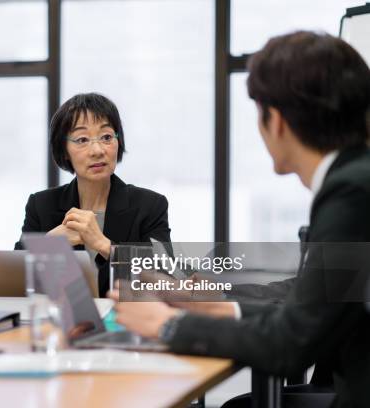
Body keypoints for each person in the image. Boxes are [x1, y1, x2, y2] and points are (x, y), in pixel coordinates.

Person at [110, 31, 370, 408]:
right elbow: (314, 299)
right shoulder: (357, 178)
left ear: (275, 121)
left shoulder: (351, 192)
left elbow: (291, 344)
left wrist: (167, 326)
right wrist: (214, 302)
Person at [15, 93, 172, 297]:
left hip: (126, 322)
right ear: (64, 151)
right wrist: (49, 243)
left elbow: (164, 281)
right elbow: (14, 280)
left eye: (106, 137)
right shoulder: (41, 205)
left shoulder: (150, 205)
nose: (97, 150)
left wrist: (103, 244)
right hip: (61, 323)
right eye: (82, 139)